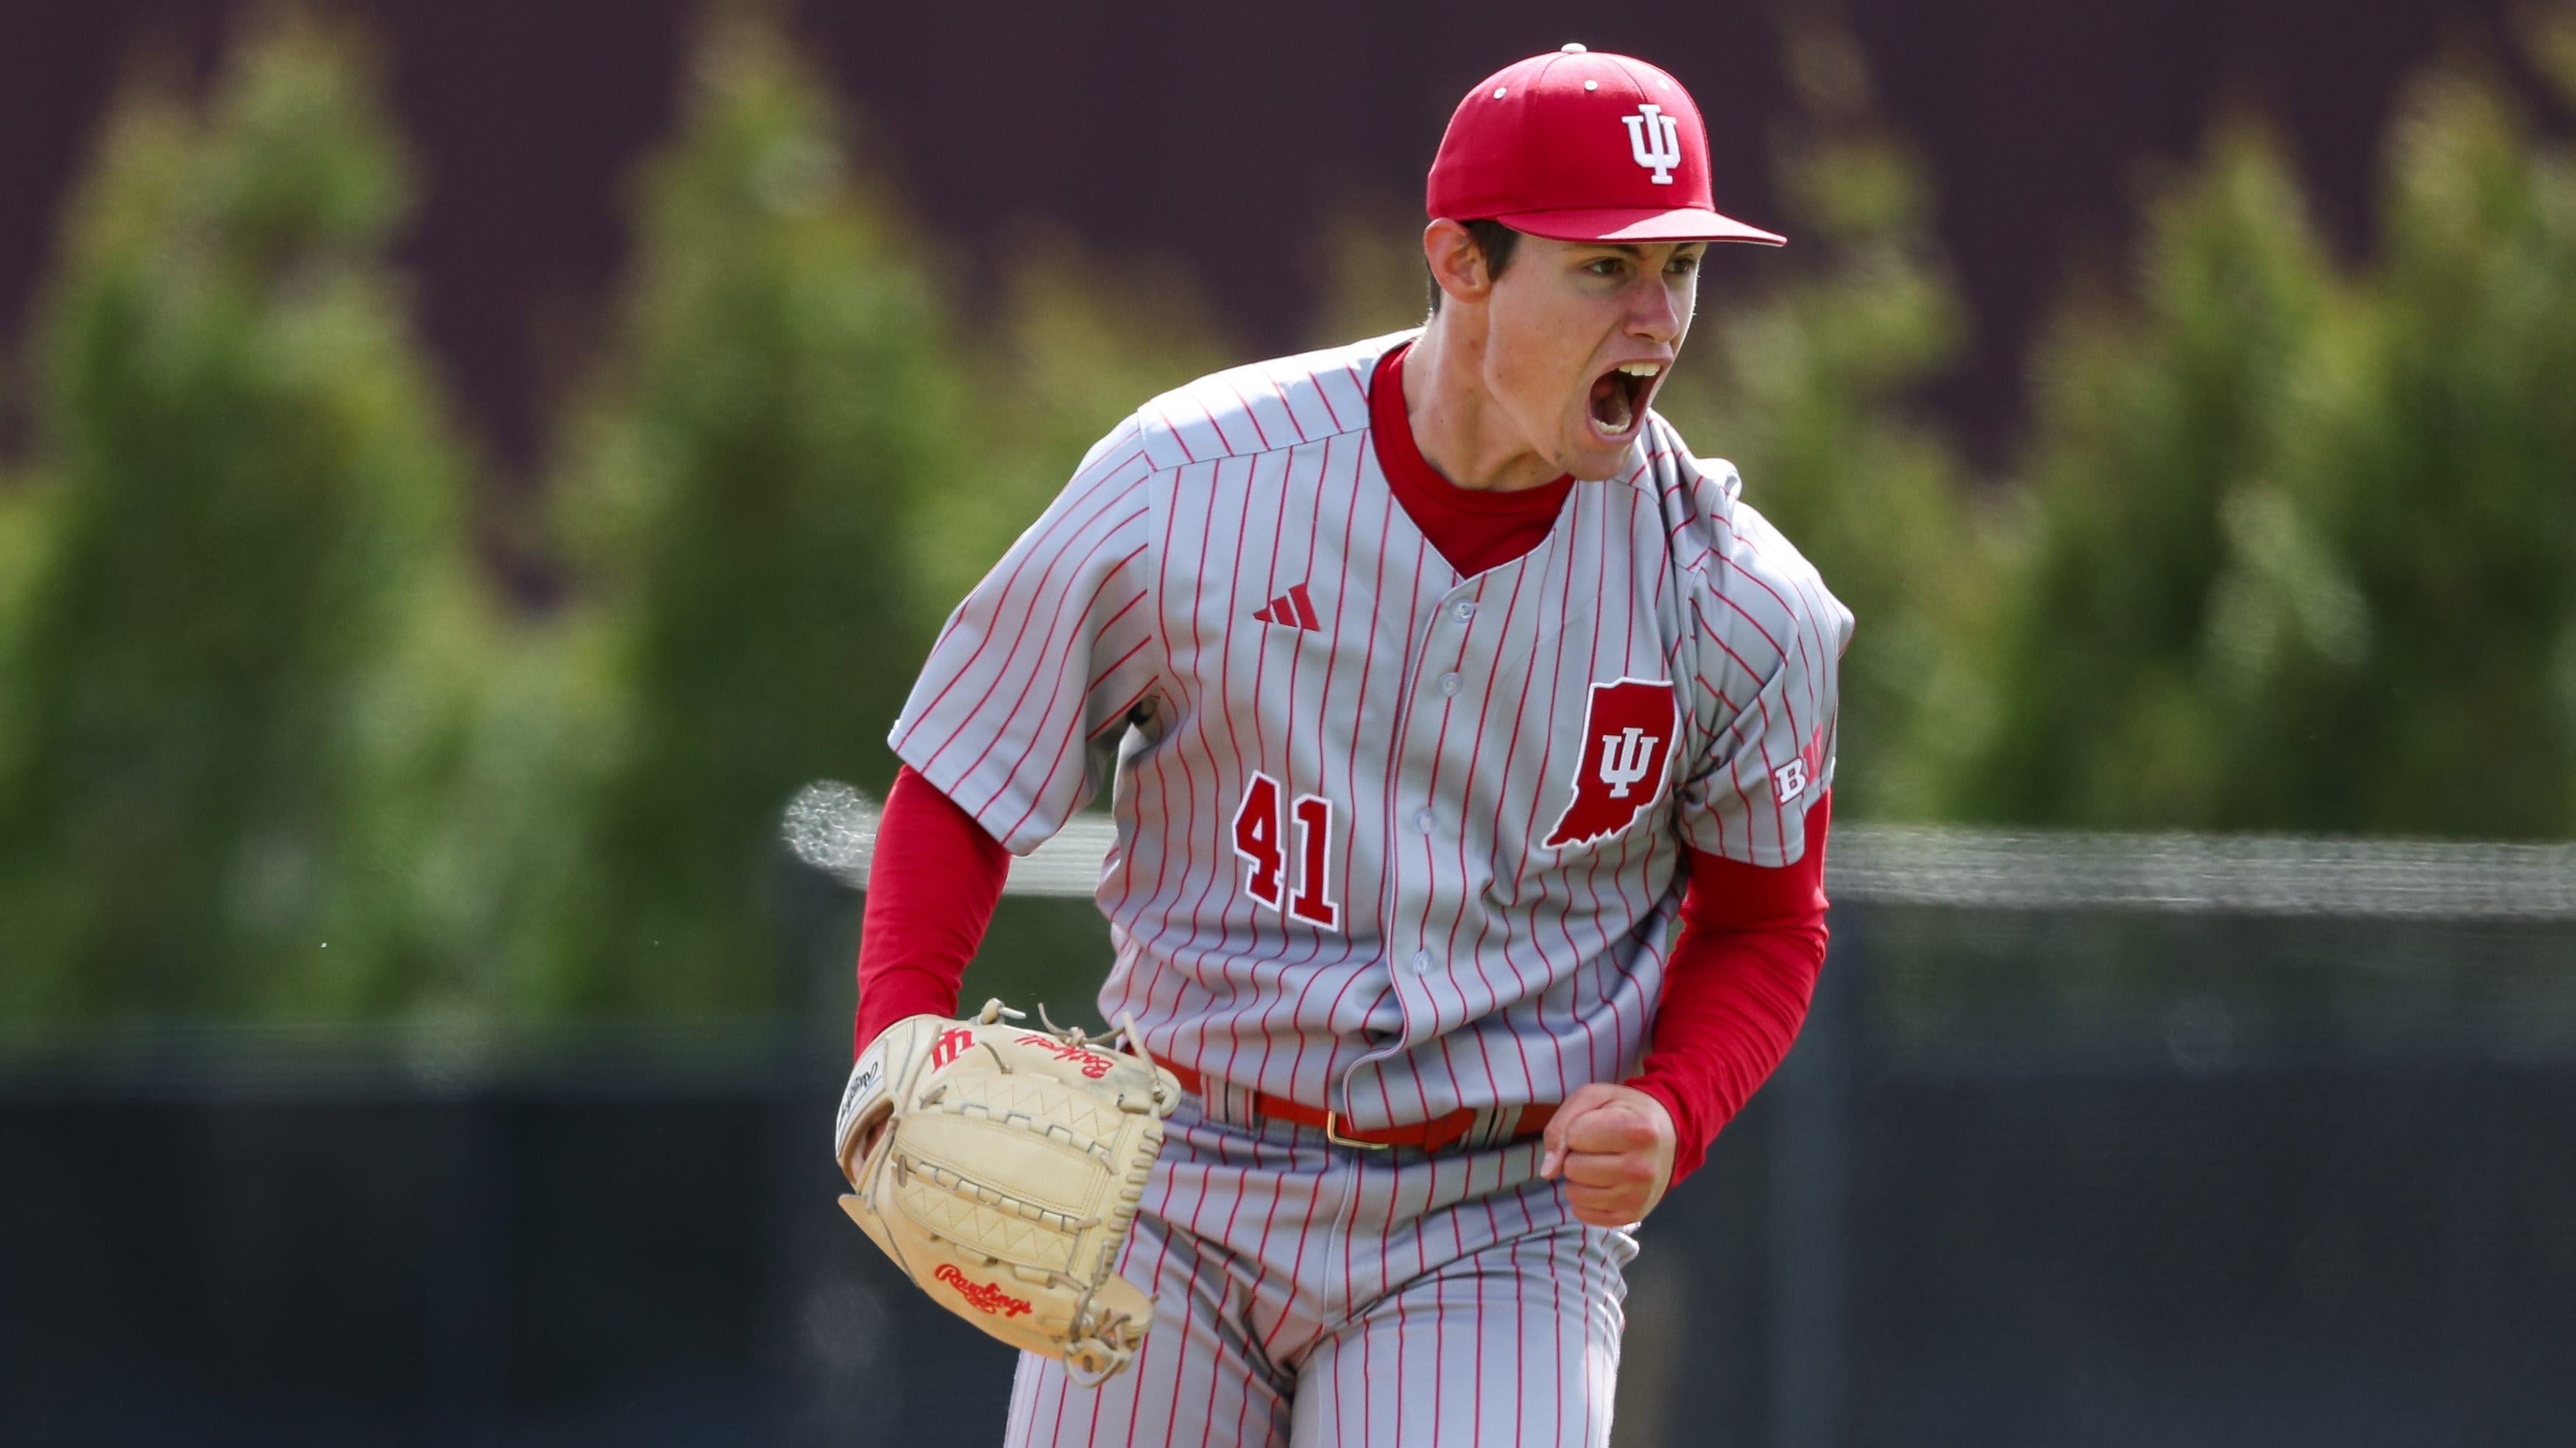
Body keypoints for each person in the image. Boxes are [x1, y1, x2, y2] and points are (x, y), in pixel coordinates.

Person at [848, 42, 1850, 1447]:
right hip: (1175, 1180)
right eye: (1605, 268)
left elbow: (1768, 920)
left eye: (1679, 268)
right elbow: (963, 772)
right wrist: (898, 1030)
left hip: (1493, 1220)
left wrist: (1679, 1104)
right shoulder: (1187, 485)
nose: (1656, 318)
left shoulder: (1738, 602)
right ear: (1461, 263)